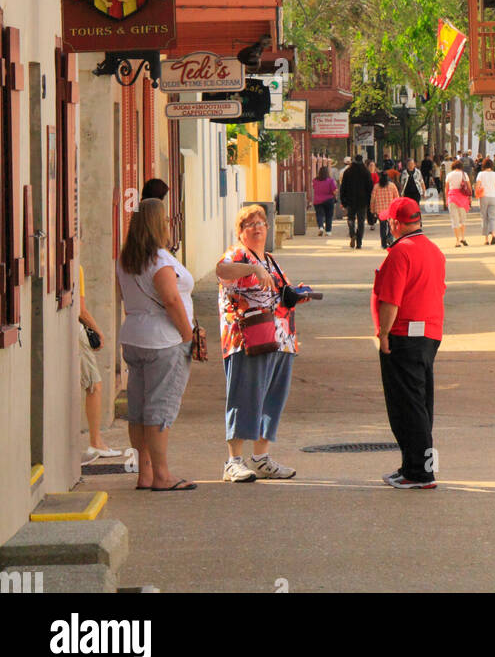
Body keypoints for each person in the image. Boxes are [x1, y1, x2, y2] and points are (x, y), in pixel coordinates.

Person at [216, 204, 308, 482]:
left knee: (271, 399)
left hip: (280, 340)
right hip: (247, 339)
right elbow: (221, 270)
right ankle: (233, 461)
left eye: (261, 223)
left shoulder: (270, 259)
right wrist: (251, 267)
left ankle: (261, 458)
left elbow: (277, 292)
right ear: (240, 232)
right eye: (250, 224)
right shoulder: (238, 255)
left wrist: (296, 295)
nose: (257, 227)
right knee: (244, 396)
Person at [116, 199, 196, 490]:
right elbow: (171, 300)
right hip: (164, 341)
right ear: (157, 223)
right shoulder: (161, 261)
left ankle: (145, 472)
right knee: (160, 409)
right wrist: (188, 336)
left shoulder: (126, 259)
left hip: (134, 337)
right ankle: (162, 475)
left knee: (138, 409)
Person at [372, 197, 447, 488]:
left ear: (394, 223)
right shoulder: (434, 251)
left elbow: (391, 300)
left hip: (404, 335)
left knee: (407, 407)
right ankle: (413, 466)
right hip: (429, 334)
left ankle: (419, 472)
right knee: (420, 404)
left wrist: (383, 334)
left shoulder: (400, 253)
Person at [78, 266, 121, 463]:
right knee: (94, 384)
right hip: (78, 332)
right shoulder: (77, 268)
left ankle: (96, 440)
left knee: (94, 384)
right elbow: (81, 310)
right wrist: (99, 332)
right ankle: (95, 441)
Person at [340, 154, 374, 249]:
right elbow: (370, 187)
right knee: (361, 221)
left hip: (350, 200)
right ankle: (359, 242)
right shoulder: (366, 172)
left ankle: (352, 233)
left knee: (351, 218)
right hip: (362, 201)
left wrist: (343, 200)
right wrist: (370, 200)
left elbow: (343, 187)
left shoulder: (348, 172)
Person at [475, 158, 495, 245]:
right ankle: (493, 235)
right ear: (491, 165)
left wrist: (477, 192)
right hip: (494, 197)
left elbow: (478, 186)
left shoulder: (481, 174)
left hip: (484, 197)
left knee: (484, 217)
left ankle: (486, 239)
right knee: (492, 217)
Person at [444, 158, 471, 247]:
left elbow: (446, 188)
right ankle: (463, 237)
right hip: (463, 198)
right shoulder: (464, 174)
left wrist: (446, 199)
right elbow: (469, 187)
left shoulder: (449, 175)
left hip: (452, 197)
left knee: (454, 220)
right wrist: (470, 197)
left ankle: (457, 241)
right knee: (463, 219)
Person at [370, 170, 400, 249]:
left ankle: (383, 244)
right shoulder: (392, 185)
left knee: (382, 227)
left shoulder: (376, 186)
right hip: (390, 209)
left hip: (380, 211)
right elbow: (397, 197)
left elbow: (372, 199)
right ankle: (390, 237)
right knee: (391, 225)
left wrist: (372, 210)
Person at [313, 165, 337, 236]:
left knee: (319, 215)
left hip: (318, 201)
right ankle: (328, 231)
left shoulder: (315, 181)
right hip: (329, 200)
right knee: (329, 216)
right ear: (327, 173)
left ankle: (320, 227)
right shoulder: (330, 180)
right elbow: (334, 191)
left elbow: (315, 188)